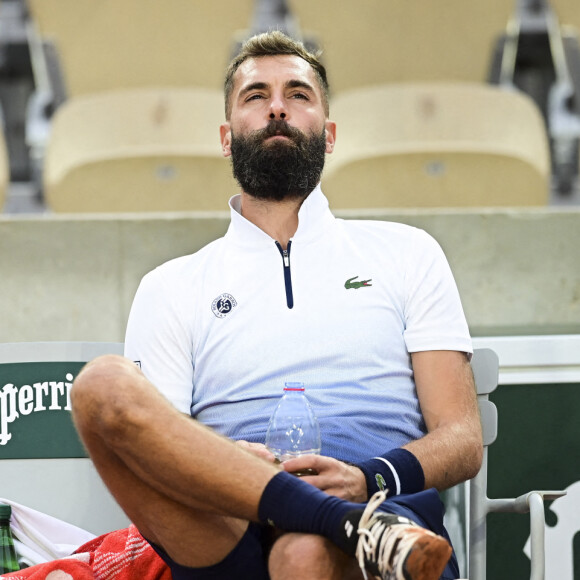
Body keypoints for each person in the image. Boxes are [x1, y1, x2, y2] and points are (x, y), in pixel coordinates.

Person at [71, 31, 483, 580]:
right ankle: (339, 521)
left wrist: (368, 480)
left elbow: (461, 437)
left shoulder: (407, 253)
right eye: (255, 96)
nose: (277, 108)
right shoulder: (171, 285)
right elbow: (158, 456)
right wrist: (231, 462)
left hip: (387, 511)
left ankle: (347, 522)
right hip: (225, 521)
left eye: (298, 94)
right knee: (100, 386)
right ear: (226, 137)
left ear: (330, 134)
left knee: (303, 553)